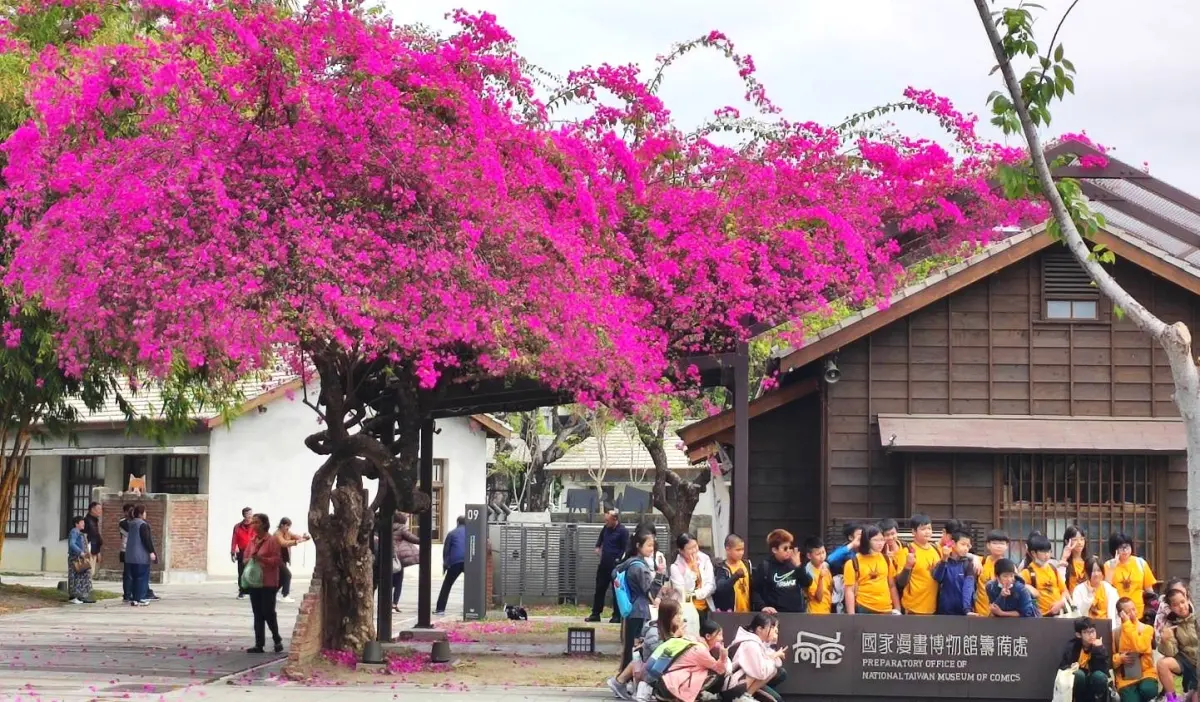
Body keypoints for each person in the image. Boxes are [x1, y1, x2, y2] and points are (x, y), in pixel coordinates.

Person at [659, 619, 729, 702]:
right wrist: (723, 656)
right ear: (708, 636)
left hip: (665, 682)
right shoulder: (700, 650)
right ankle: (685, 695)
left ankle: (693, 694)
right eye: (719, 635)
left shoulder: (694, 640)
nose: (721, 638)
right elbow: (720, 669)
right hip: (671, 689)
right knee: (715, 673)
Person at [616, 531, 656, 675]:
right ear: (638, 546)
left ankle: (623, 676)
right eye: (649, 545)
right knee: (636, 647)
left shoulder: (629, 562)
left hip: (631, 608)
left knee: (629, 646)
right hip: (640, 610)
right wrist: (661, 574)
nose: (652, 548)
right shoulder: (639, 567)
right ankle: (625, 678)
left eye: (653, 545)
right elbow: (650, 591)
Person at [244, 513, 284, 653]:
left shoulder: (272, 540)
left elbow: (276, 561)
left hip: (268, 581)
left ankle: (276, 638)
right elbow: (245, 558)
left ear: (264, 524)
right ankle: (259, 643)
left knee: (268, 611)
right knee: (257, 613)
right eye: (253, 522)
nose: (254, 525)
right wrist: (250, 560)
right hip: (255, 582)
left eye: (257, 522)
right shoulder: (252, 541)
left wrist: (261, 559)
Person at [725, 612, 787, 702]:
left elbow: (774, 664)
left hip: (742, 684)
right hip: (734, 687)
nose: (774, 632)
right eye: (772, 628)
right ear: (759, 629)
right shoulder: (751, 644)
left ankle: (747, 695)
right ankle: (744, 697)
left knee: (777, 672)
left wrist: (772, 655)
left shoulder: (756, 642)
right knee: (776, 699)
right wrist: (773, 658)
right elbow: (761, 672)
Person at [844, 524, 901, 615]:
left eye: (882, 540)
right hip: (864, 607)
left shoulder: (886, 560)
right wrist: (852, 615)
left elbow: (892, 585)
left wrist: (898, 608)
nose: (880, 543)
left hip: (886, 608)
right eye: (875, 540)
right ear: (867, 541)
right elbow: (849, 590)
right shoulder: (853, 563)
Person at [751, 529, 811, 614]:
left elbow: (807, 583)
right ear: (774, 550)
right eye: (785, 548)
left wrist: (798, 566)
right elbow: (755, 590)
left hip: (797, 614)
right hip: (776, 615)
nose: (789, 551)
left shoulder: (794, 563)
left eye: (790, 547)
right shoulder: (765, 566)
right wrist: (762, 606)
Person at [892, 514, 941, 615]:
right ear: (914, 532)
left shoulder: (936, 550)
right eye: (923, 529)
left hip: (933, 608)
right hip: (912, 608)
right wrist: (908, 566)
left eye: (929, 528)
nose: (927, 532)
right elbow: (900, 582)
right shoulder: (907, 551)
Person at [1113, 596, 1159, 702]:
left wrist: (1127, 624)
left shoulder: (1147, 629)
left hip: (1146, 673)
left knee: (1148, 691)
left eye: (1134, 609)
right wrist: (1119, 658)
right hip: (1126, 678)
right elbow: (1110, 659)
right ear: (1121, 614)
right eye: (1128, 612)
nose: (1133, 613)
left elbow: (1139, 647)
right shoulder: (1115, 633)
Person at [589, 509, 630, 624]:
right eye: (605, 520)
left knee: (616, 590)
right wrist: (597, 548)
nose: (606, 522)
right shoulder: (605, 529)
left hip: (616, 566)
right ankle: (595, 613)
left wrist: (620, 561)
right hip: (604, 564)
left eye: (608, 520)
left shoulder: (622, 531)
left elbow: (625, 548)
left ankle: (617, 615)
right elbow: (600, 540)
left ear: (615, 519)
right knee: (599, 589)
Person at [1058, 616, 1113, 702]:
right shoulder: (1072, 647)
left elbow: (1104, 671)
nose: (1091, 635)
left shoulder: (1099, 647)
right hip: (1079, 685)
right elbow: (1063, 667)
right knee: (1079, 675)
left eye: (1092, 631)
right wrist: (1072, 667)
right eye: (1086, 632)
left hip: (1093, 681)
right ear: (1078, 635)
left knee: (1099, 676)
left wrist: (1099, 650)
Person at [1157, 587, 1198, 702]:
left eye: (1182, 602)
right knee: (1162, 663)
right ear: (1170, 608)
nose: (1181, 606)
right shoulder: (1171, 626)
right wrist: (1165, 640)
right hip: (1186, 661)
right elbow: (1172, 652)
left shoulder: (1197, 619)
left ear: (1187, 600)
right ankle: (1172, 699)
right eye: (1175, 605)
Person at [669, 532, 714, 636]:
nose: (694, 551)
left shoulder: (704, 559)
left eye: (695, 546)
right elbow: (685, 592)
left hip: (706, 607)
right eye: (690, 548)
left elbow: (711, 585)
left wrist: (697, 594)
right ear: (681, 551)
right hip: (688, 610)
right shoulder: (675, 568)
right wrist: (692, 572)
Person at [1106, 532, 1157, 623]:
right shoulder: (1108, 565)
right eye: (1121, 548)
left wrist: (1151, 609)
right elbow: (1105, 589)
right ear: (1114, 549)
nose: (1125, 550)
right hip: (1118, 614)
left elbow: (1149, 591)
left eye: (1127, 547)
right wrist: (1112, 569)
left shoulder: (1140, 563)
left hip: (1140, 613)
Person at [1022, 532, 1068, 616]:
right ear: (1033, 553)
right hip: (1041, 616)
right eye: (1043, 552)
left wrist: (1060, 602)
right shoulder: (1027, 572)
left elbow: (1064, 590)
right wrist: (1027, 586)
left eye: (1049, 551)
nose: (1047, 555)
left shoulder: (1053, 568)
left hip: (1060, 613)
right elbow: (1016, 585)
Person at [933, 531, 976, 616]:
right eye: (963, 544)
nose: (966, 548)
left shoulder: (968, 564)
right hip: (944, 611)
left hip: (963, 611)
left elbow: (968, 587)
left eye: (968, 546)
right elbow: (938, 578)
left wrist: (967, 609)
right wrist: (944, 559)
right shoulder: (943, 562)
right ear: (953, 543)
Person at [1073, 556, 1119, 633]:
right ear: (1087, 572)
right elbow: (1078, 613)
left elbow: (1117, 614)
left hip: (1107, 628)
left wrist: (1115, 630)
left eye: (1099, 570)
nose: (1096, 574)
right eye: (1093, 571)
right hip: (1088, 630)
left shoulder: (1109, 589)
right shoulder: (1079, 590)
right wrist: (1090, 596)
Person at [125, 504, 158, 607]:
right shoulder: (143, 525)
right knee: (142, 578)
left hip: (129, 556)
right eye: (144, 512)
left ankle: (134, 598)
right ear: (141, 513)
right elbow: (146, 540)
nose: (145, 514)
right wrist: (152, 552)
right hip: (140, 556)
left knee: (134, 578)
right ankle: (141, 598)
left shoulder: (131, 523)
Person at [435, 516, 467, 616]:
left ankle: (440, 609)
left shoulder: (452, 533)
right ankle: (470, 609)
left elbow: (446, 551)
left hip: (455, 562)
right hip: (469, 561)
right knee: (470, 586)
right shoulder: (471, 533)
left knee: (447, 585)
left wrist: (445, 565)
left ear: (457, 522)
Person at [972, 529, 1009, 616]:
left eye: (1002, 543)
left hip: (1001, 614)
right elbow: (961, 553)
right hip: (980, 613)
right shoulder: (981, 562)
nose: (998, 546)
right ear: (988, 545)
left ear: (1007, 546)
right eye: (995, 543)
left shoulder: (1010, 566)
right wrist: (974, 557)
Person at [826, 522, 861, 613]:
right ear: (851, 537)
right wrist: (852, 545)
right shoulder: (845, 550)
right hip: (846, 592)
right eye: (859, 535)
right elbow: (830, 559)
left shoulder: (868, 550)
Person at [712, 533, 751, 613]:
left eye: (742, 549)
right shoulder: (722, 568)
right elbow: (720, 588)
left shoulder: (747, 564)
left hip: (747, 611)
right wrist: (735, 576)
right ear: (728, 549)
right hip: (731, 613)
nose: (741, 553)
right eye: (738, 550)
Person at [275, 517, 310, 604]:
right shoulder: (277, 534)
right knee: (287, 575)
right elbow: (283, 543)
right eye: (287, 526)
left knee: (282, 578)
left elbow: (295, 536)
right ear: (282, 525)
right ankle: (285, 595)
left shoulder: (286, 532)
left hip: (283, 558)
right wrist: (296, 542)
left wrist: (304, 537)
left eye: (289, 527)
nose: (288, 529)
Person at [390, 513, 419, 613]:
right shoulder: (402, 528)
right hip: (397, 558)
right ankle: (394, 604)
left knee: (387, 582)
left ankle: (387, 603)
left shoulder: (387, 526)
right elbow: (411, 538)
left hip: (386, 556)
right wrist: (423, 540)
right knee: (398, 582)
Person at [67, 516, 95, 605]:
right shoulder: (74, 531)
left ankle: (81, 596)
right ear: (77, 524)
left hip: (79, 558)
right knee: (75, 577)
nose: (84, 524)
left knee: (82, 576)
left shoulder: (79, 532)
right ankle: (74, 596)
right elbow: (72, 544)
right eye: (82, 522)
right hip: (75, 558)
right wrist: (80, 552)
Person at [803, 536, 832, 615]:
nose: (822, 556)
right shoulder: (808, 572)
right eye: (818, 554)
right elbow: (819, 598)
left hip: (827, 610)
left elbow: (829, 587)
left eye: (823, 552)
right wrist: (820, 578)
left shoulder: (826, 565)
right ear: (809, 556)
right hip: (814, 612)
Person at [231, 507, 255, 599]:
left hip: (252, 552)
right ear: (244, 515)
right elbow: (234, 540)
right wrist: (233, 552)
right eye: (248, 514)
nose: (250, 516)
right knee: (241, 572)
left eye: (251, 514)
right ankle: (242, 591)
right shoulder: (237, 527)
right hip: (242, 551)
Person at [1060, 526, 1090, 593]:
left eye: (1082, 539)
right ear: (1067, 542)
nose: (1079, 543)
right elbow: (1060, 583)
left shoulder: (1089, 562)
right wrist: (1064, 558)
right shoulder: (1063, 564)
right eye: (1075, 539)